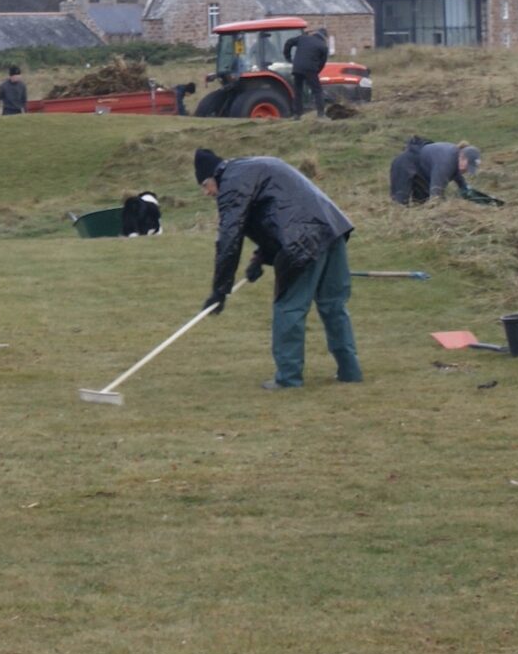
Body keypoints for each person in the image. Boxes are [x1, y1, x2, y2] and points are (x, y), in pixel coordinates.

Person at [197, 147, 359, 389]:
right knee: (334, 305)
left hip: (303, 241)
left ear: (211, 178)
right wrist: (259, 258)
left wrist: (220, 290)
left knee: (289, 308)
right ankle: (350, 370)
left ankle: (288, 377)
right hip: (331, 228)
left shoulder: (231, 184)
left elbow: (230, 237)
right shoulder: (254, 166)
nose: (207, 193)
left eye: (204, 187)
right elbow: (277, 215)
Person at [387, 138, 482, 205]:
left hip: (422, 171)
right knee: (400, 202)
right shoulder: (446, 161)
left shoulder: (456, 158)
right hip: (405, 165)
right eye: (467, 166)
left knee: (422, 203)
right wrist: (442, 210)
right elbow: (436, 192)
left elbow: (460, 181)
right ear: (462, 156)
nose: (466, 170)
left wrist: (468, 191)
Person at [283, 25, 331, 117]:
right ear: (325, 37)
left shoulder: (303, 38)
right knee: (318, 91)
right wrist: (316, 72)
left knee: (298, 91)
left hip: (297, 68)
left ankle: (297, 114)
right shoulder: (323, 46)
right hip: (310, 69)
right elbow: (322, 63)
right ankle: (321, 114)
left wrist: (288, 57)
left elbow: (288, 42)